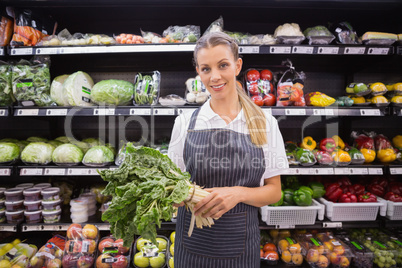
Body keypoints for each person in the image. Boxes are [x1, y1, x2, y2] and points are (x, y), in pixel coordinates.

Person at [168, 31, 289, 268]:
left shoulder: (265, 122)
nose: (215, 76)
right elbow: (172, 186)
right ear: (198, 73)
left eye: (223, 65)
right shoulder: (185, 123)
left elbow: (274, 192)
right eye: (206, 69)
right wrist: (174, 198)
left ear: (237, 65)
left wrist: (238, 194)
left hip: (240, 247)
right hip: (192, 244)